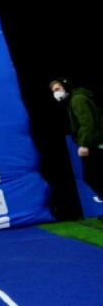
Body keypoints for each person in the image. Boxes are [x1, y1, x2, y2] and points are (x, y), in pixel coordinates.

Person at [50, 78, 103, 208]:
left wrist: (84, 144)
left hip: (95, 142)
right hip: (95, 141)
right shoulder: (74, 100)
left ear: (66, 87)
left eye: (57, 89)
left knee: (92, 176)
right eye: (53, 91)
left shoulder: (77, 100)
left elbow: (87, 123)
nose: (55, 93)